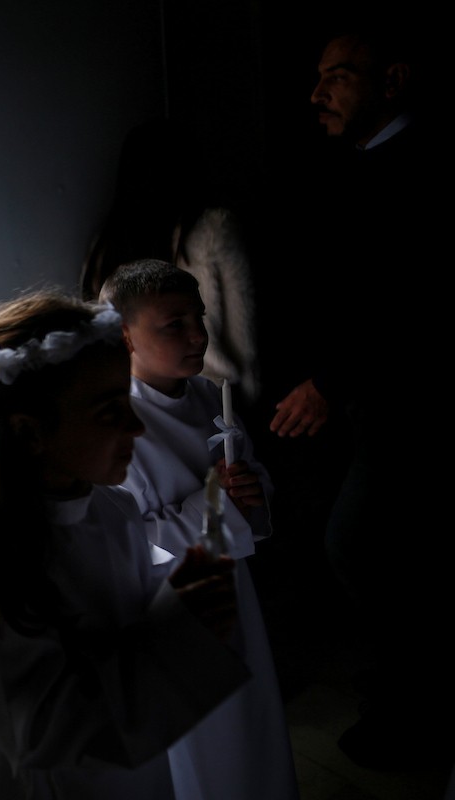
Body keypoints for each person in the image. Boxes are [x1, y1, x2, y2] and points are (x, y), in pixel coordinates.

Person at [0, 288, 250, 799]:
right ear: (30, 432)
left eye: (126, 401)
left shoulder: (113, 508)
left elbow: (123, 619)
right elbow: (36, 731)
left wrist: (182, 596)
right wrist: (181, 631)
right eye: (109, 412)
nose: (136, 425)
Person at [253, 15, 450, 771]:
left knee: (365, 544)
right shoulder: (363, 163)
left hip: (412, 407)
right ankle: (406, 689)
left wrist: (330, 383)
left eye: (338, 75)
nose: (316, 94)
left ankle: (418, 712)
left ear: (392, 80)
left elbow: (412, 304)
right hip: (370, 405)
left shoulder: (420, 166)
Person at [99, 259, 298, 800]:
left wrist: (251, 491)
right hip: (169, 609)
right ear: (124, 335)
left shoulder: (210, 397)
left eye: (199, 317)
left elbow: (247, 485)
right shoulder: (113, 421)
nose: (198, 335)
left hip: (234, 593)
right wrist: (217, 506)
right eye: (173, 324)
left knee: (250, 727)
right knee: (204, 746)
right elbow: (124, 541)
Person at [80, 118, 261, 413]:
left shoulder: (107, 242)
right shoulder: (213, 229)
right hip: (213, 397)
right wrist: (252, 398)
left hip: (136, 395)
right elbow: (243, 332)